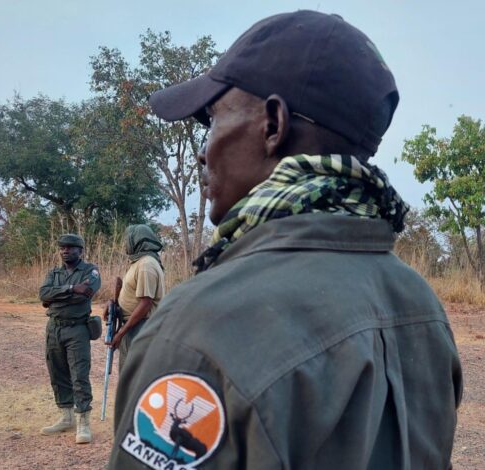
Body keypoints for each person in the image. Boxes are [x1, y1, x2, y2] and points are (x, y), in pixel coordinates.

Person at [109, 11, 462, 469]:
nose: (203, 149)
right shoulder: (421, 306)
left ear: (273, 124)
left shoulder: (201, 329)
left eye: (212, 119)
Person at [39, 233, 101, 444]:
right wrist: (72, 288)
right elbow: (43, 294)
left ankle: (83, 421)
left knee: (79, 374)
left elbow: (86, 292)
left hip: (77, 329)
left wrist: (55, 297)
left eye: (71, 248)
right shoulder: (54, 272)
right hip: (54, 328)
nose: (65, 251)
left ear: (80, 251)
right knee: (57, 372)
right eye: (63, 248)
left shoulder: (91, 271)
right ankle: (66, 417)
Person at [104, 224, 165, 371]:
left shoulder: (146, 264)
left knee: (134, 379)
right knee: (127, 376)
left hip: (140, 328)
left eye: (127, 240)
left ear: (137, 241)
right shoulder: (138, 262)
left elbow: (146, 304)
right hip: (133, 327)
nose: (125, 244)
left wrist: (121, 333)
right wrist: (113, 303)